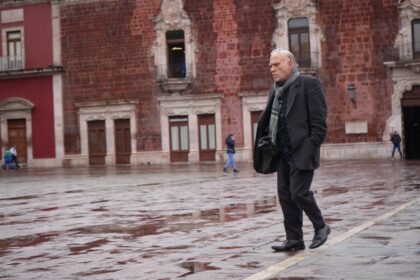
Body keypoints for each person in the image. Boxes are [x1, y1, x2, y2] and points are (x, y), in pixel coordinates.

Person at [254, 49, 330, 251]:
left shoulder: (308, 85)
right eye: (270, 65)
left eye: (276, 64)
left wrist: (309, 147)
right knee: (286, 196)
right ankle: (294, 239)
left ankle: (321, 226)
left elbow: (319, 124)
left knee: (299, 193)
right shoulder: (275, 90)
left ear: (290, 63)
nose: (272, 69)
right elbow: (272, 119)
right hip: (281, 153)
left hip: (302, 151)